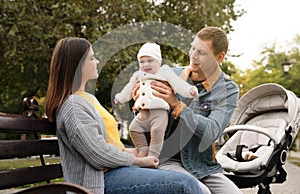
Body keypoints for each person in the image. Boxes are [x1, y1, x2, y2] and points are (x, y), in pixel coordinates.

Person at [44, 37, 203, 194]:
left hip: (115, 171)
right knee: (185, 184)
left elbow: (106, 145)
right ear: (77, 65)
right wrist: (140, 160)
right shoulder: (73, 106)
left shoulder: (88, 99)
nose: (97, 61)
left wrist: (137, 152)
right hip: (100, 181)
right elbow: (98, 155)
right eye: (92, 58)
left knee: (186, 180)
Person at [133, 27, 242, 194]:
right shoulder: (168, 75)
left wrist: (176, 105)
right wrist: (137, 101)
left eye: (202, 52)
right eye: (193, 48)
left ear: (219, 57)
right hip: (165, 159)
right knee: (201, 192)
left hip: (201, 165)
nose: (193, 55)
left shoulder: (228, 90)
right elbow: (145, 118)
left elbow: (211, 131)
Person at [114, 42, 198, 158]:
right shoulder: (138, 75)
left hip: (159, 112)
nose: (146, 65)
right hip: (142, 113)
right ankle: (142, 150)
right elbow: (128, 89)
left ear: (158, 61)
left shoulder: (165, 72)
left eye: (150, 61)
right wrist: (120, 97)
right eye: (142, 62)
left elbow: (178, 85)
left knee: (157, 132)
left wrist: (190, 90)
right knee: (133, 129)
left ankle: (153, 156)